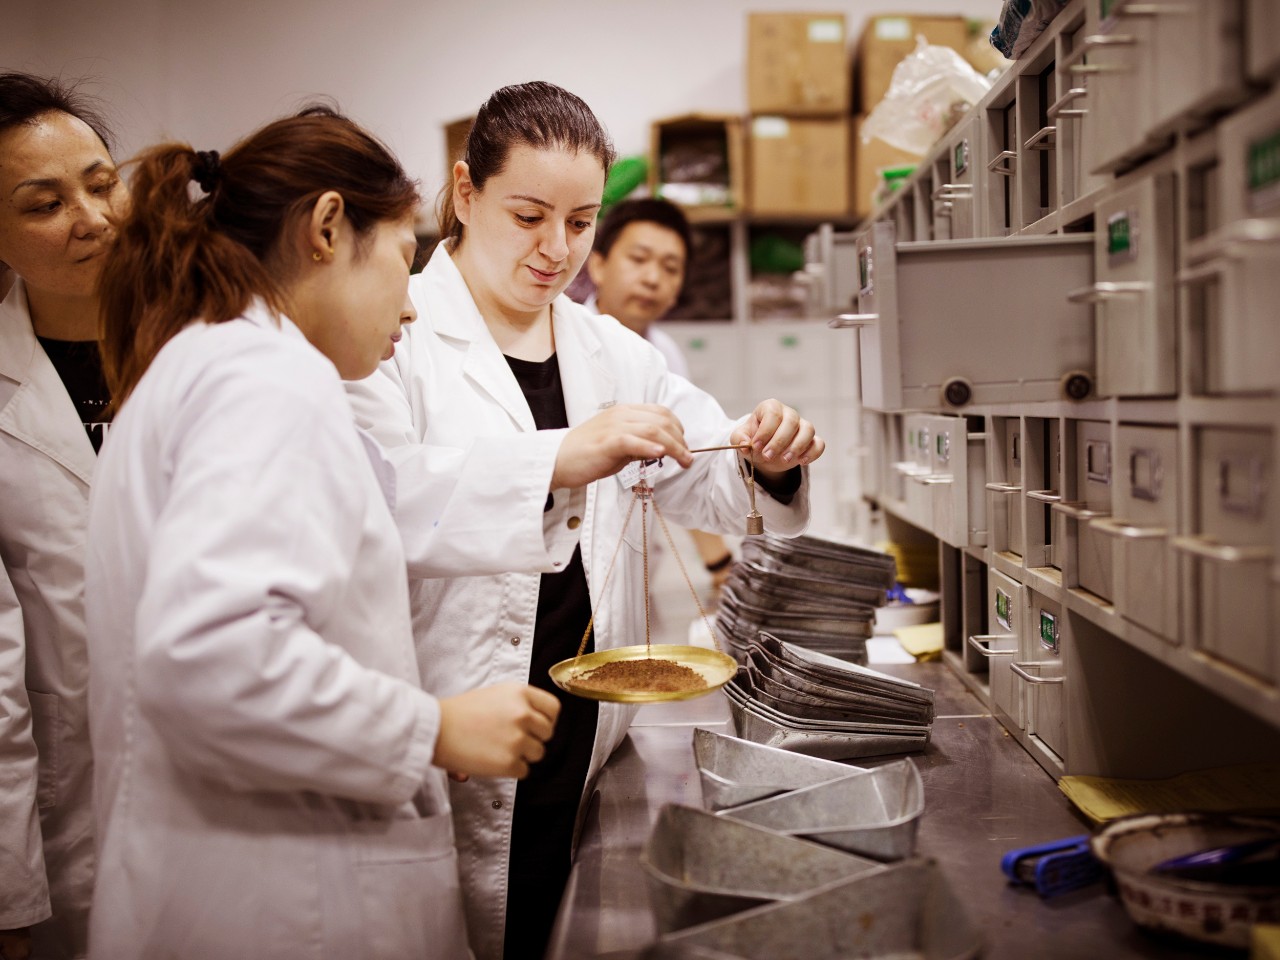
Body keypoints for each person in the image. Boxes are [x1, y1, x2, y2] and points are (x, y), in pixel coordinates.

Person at [346, 80, 825, 960]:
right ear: (465, 190)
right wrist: (558, 458)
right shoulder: (392, 342)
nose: (556, 248)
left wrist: (767, 453)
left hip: (586, 733)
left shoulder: (613, 352)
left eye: (579, 222)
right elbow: (378, 503)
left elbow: (711, 474)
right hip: (447, 734)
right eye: (529, 215)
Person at [84, 107, 560, 960]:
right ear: (329, 228)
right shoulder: (264, 377)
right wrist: (430, 728)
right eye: (403, 261)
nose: (409, 309)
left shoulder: (207, 362)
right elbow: (208, 657)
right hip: (279, 911)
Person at [0, 72, 124, 960]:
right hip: (69, 789)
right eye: (45, 203)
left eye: (102, 182)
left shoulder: (212, 348)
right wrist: (11, 891)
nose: (92, 218)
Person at [586, 197, 737, 594]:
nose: (653, 278)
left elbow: (681, 461)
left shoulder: (665, 355)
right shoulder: (567, 345)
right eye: (639, 259)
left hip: (638, 564)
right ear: (598, 264)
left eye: (671, 268)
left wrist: (720, 564)